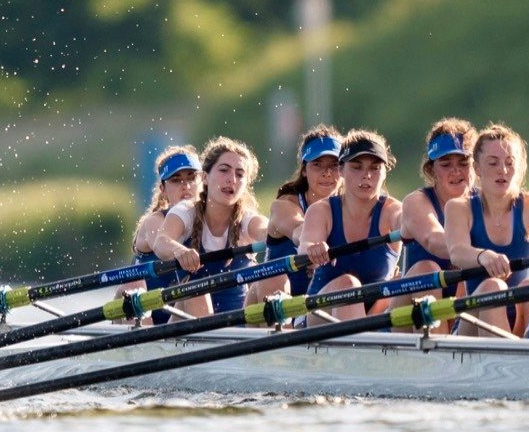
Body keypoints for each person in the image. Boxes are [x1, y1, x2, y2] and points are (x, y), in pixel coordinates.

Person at [445, 124, 529, 336]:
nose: (503, 170)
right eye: (493, 163)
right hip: (474, 320)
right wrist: (484, 256)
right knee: (493, 287)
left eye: (510, 163)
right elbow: (457, 251)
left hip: (521, 317)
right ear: (477, 168)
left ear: (520, 167)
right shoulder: (459, 208)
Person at [153, 137, 267, 319]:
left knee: (267, 284)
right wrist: (180, 251)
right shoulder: (186, 211)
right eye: (224, 170)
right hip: (188, 327)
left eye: (240, 174)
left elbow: (267, 230)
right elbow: (161, 242)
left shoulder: (246, 218)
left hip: (240, 329)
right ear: (205, 177)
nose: (232, 180)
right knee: (198, 289)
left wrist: (278, 236)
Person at [300, 130, 403, 320]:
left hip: (375, 314)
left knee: (408, 281)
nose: (367, 176)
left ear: (385, 172)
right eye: (357, 167)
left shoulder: (393, 211)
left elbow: (410, 223)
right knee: (349, 284)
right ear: (341, 170)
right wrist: (313, 250)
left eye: (375, 168)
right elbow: (305, 247)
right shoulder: (322, 211)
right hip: (321, 314)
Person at [259, 124, 341, 299]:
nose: (327, 173)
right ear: (304, 170)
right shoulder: (284, 205)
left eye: (334, 165)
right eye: (317, 165)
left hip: (320, 304)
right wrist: (310, 244)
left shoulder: (350, 208)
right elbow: (299, 230)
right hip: (276, 299)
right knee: (273, 280)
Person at [398, 118, 476, 295]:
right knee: (427, 269)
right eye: (446, 164)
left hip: (464, 301)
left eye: (463, 163)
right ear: (431, 170)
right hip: (414, 309)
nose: (456, 171)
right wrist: (483, 253)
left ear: (476, 166)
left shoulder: (486, 201)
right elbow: (434, 241)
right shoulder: (417, 202)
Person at [126, 145, 199, 325]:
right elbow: (162, 243)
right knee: (129, 287)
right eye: (176, 180)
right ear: (163, 189)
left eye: (192, 178)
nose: (186, 186)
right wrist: (181, 252)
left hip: (181, 317)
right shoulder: (154, 221)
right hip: (146, 319)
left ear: (203, 182)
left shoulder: (212, 221)